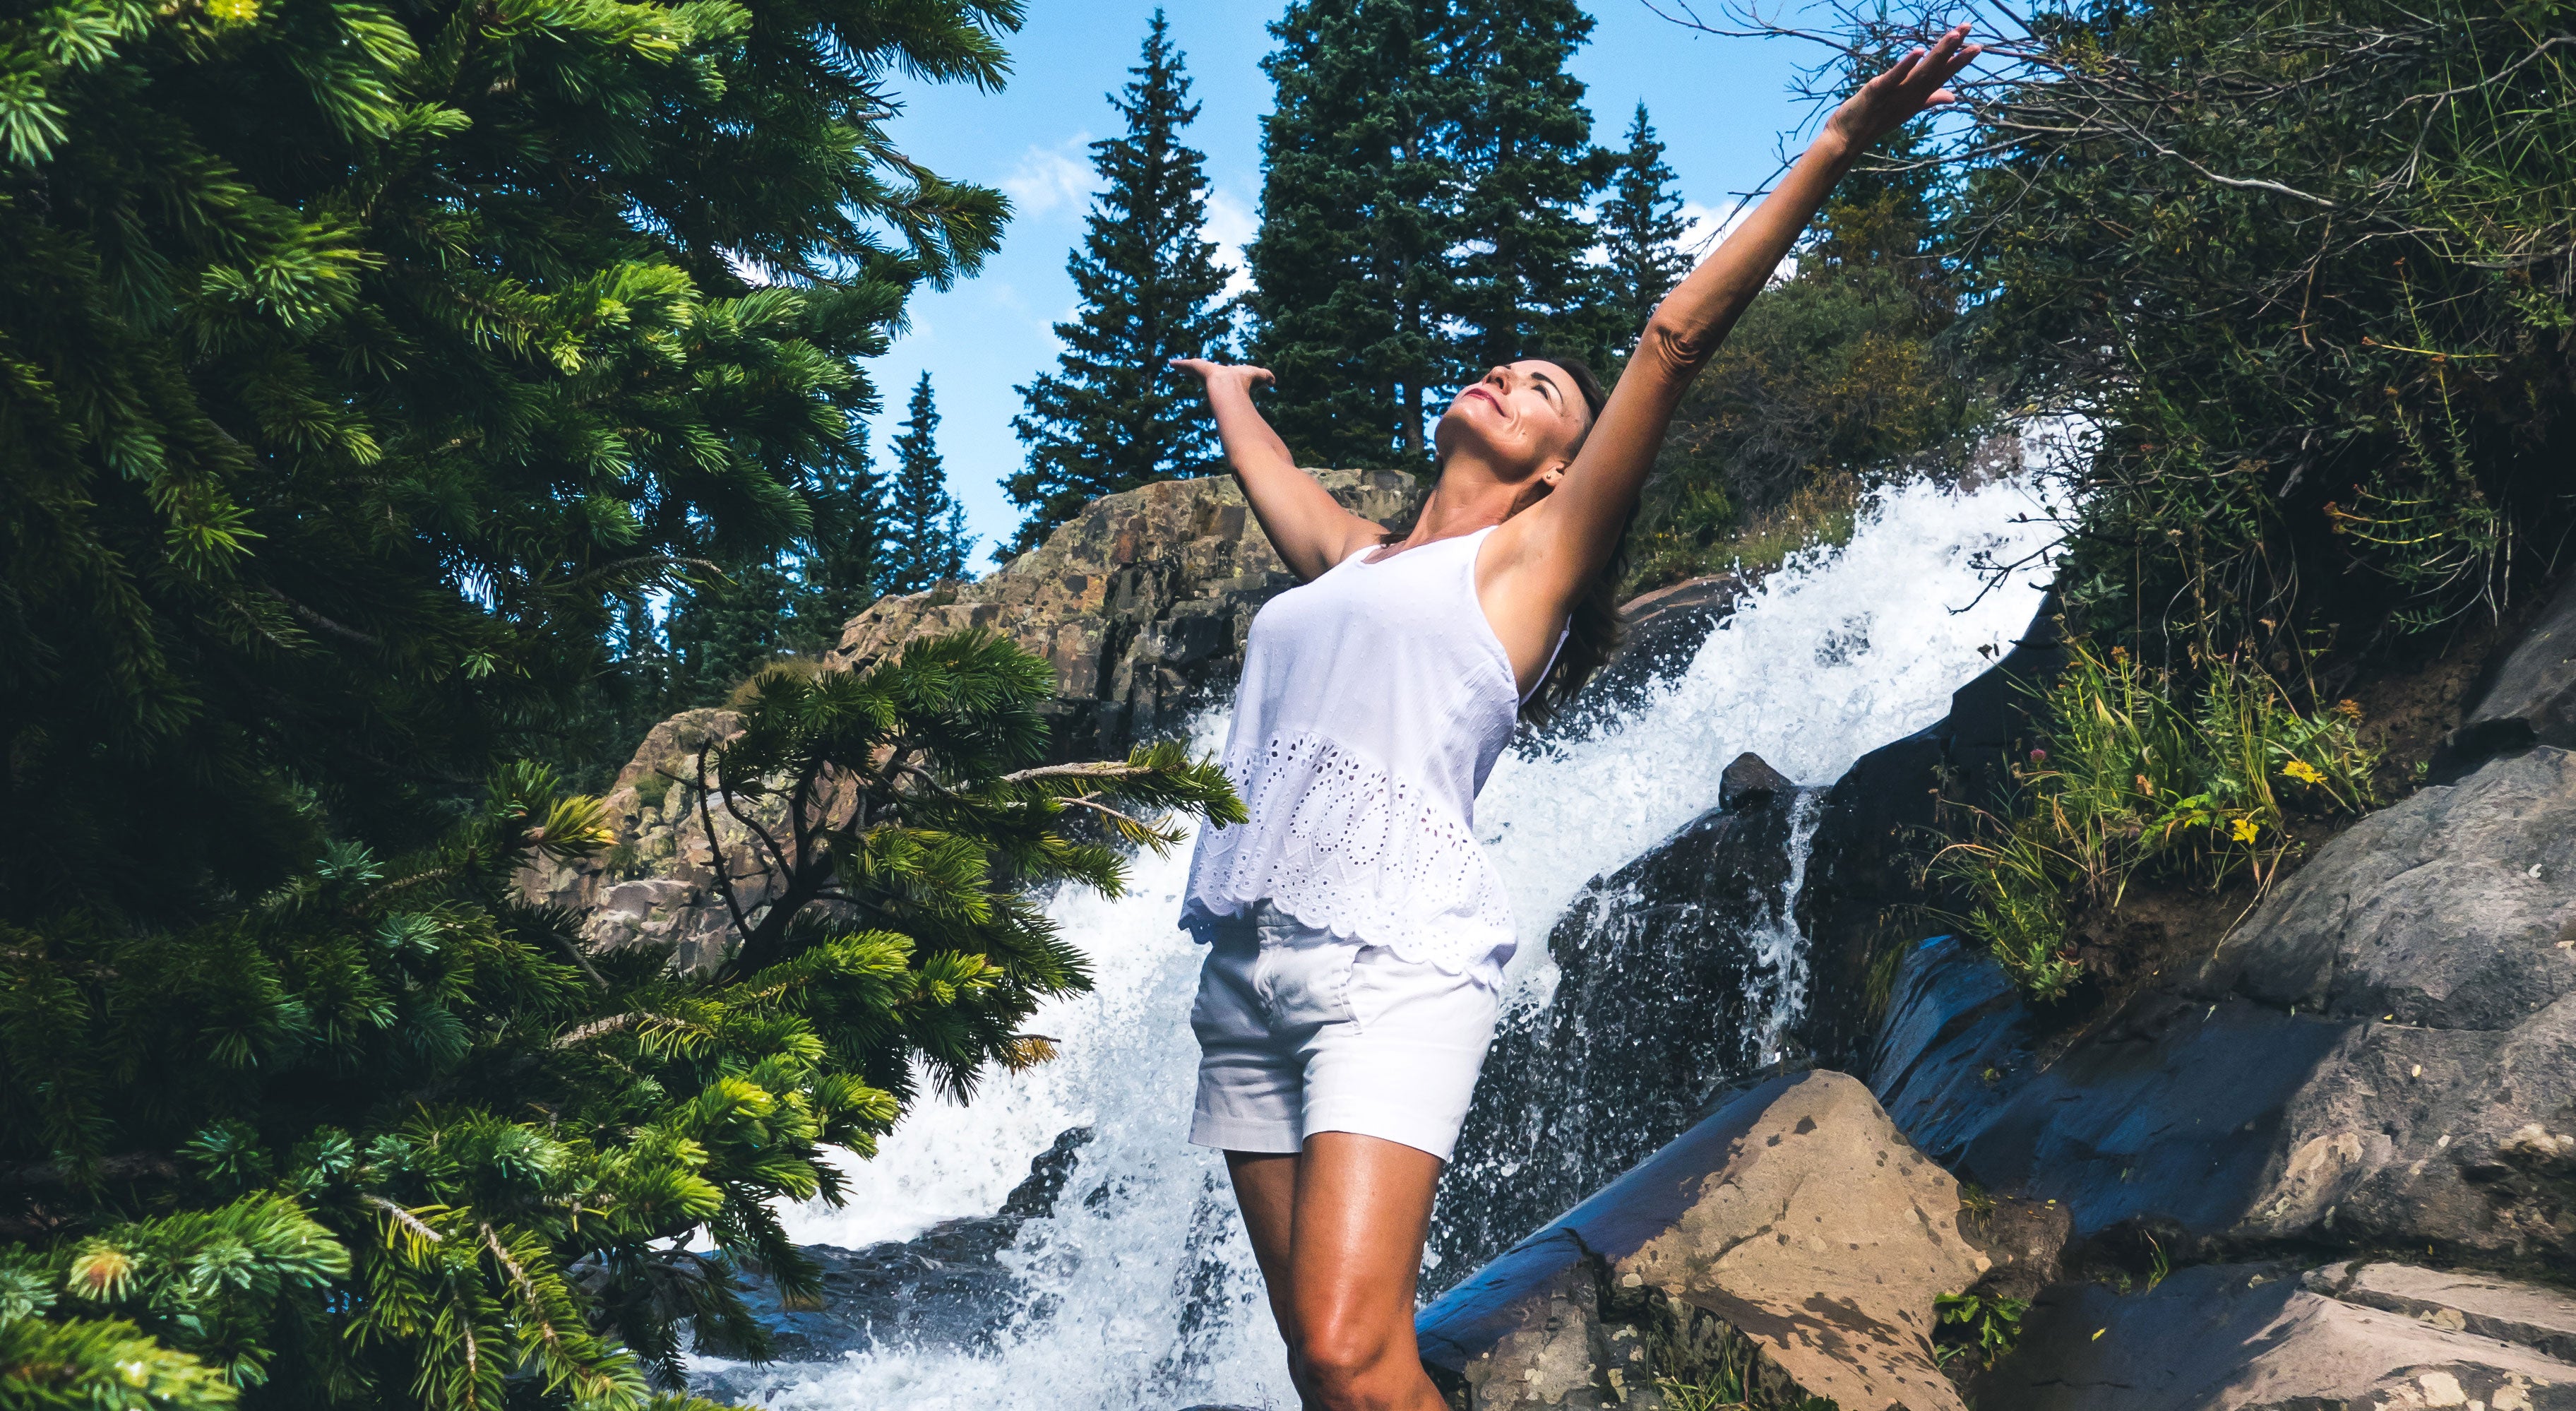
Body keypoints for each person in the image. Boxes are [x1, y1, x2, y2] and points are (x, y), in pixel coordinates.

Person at [1167, 29, 1982, 1411]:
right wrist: (1231, 398)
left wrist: (1837, 149)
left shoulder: (1529, 569)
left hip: (1391, 960)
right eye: (1504, 366)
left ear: (1559, 475)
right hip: (1243, 970)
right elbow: (1274, 478)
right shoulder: (1353, 560)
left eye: (1543, 389)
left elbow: (1672, 338)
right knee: (1319, 1369)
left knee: (1362, 1360)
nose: (1505, 374)